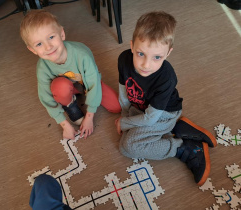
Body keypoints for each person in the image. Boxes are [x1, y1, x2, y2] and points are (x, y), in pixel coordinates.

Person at [115, 11, 217, 186]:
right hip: (140, 108)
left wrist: (124, 123)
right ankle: (180, 127)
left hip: (163, 113)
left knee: (128, 148)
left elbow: (151, 118)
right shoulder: (124, 59)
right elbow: (123, 91)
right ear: (132, 46)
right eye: (140, 54)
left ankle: (184, 147)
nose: (146, 65)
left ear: (168, 53)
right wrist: (126, 116)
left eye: (157, 57)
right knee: (128, 137)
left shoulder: (166, 77)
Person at [20, 10, 121, 140]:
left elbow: (93, 83)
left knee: (117, 107)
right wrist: (64, 125)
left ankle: (79, 96)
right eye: (39, 44)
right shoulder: (42, 68)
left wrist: (90, 117)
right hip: (66, 88)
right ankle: (70, 105)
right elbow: (46, 98)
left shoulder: (81, 55)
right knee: (59, 86)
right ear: (33, 50)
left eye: (51, 37)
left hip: (87, 83)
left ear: (62, 34)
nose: (48, 47)